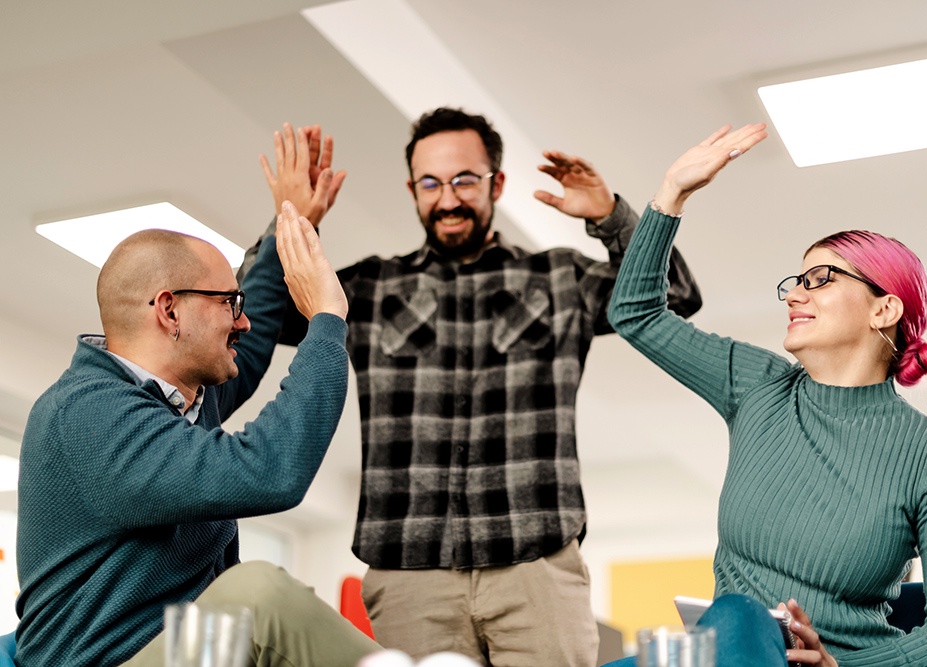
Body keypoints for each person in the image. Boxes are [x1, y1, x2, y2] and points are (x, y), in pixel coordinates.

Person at [239, 108, 703, 666]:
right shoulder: (366, 290)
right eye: (430, 183)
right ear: (412, 190)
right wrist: (291, 222)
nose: (448, 198)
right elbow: (250, 317)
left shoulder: (560, 278)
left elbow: (675, 294)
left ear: (496, 184)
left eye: (464, 180)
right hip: (410, 575)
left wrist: (610, 217)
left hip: (537, 568)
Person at [606, 123, 927, 666]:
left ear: (884, 309)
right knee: (731, 619)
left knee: (732, 618)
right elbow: (636, 313)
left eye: (821, 279)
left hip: (844, 664)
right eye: (796, 281)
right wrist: (671, 194)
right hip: (737, 651)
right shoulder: (759, 386)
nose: (794, 295)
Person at [16, 202, 381, 666]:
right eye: (229, 303)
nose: (242, 321)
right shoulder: (88, 411)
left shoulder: (182, 404)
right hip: (108, 662)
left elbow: (253, 342)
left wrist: (283, 228)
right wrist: (327, 319)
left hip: (182, 650)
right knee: (256, 597)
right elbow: (270, 470)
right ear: (170, 311)